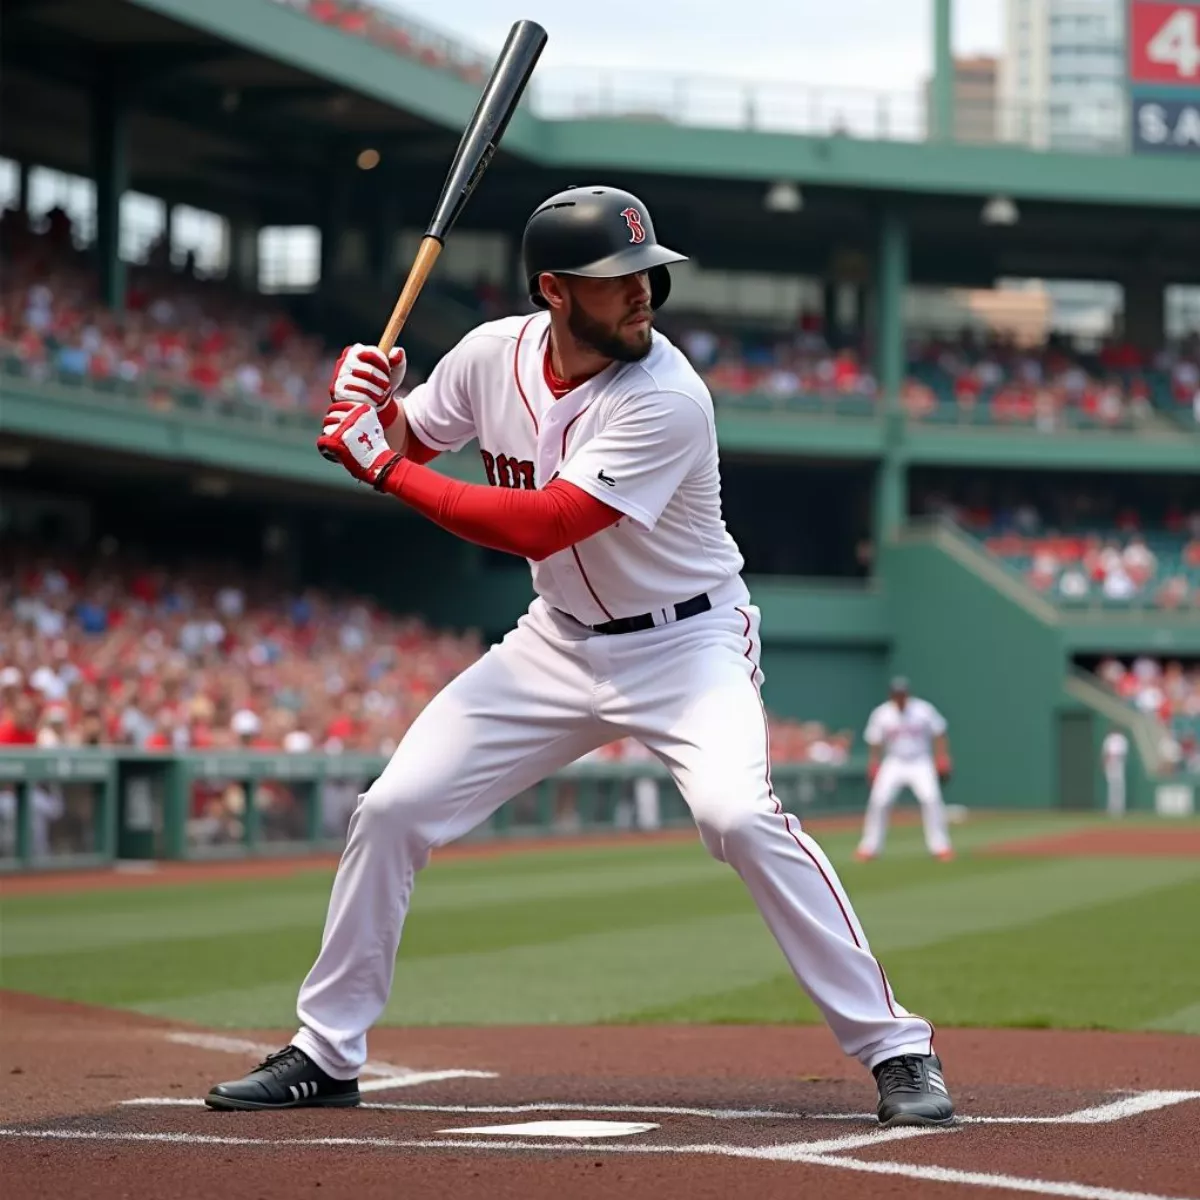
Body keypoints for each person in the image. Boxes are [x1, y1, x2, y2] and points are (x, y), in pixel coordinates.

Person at [206, 185, 954, 1127]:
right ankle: (326, 1051)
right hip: (553, 646)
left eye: (650, 274)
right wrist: (372, 409)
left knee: (737, 816)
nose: (645, 293)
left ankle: (899, 1050)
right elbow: (408, 434)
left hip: (688, 643)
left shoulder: (669, 395)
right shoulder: (489, 355)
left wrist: (384, 468)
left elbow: (549, 523)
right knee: (391, 809)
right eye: (619, 280)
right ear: (555, 291)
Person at [856, 677, 954, 862]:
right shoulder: (882, 713)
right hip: (894, 762)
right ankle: (869, 847)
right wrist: (874, 764)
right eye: (896, 694)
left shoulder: (923, 709)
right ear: (891, 695)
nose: (900, 697)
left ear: (907, 694)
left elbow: (940, 732)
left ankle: (940, 846)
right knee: (879, 801)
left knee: (931, 799)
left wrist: (942, 758)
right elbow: (875, 741)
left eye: (902, 694)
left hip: (920, 761)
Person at [1101, 726, 1129, 817]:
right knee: (1112, 786)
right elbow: (1106, 753)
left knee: (1119, 786)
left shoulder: (1121, 739)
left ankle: (1119, 808)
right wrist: (1105, 763)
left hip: (1118, 761)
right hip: (1111, 761)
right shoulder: (1109, 739)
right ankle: (1112, 808)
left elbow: (1123, 754)